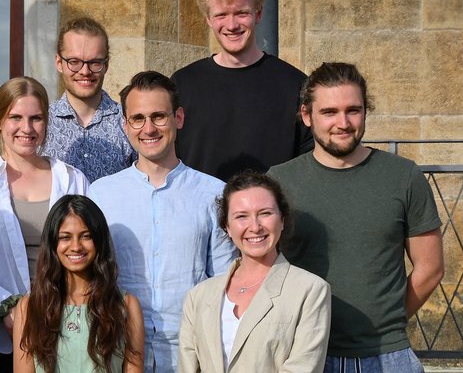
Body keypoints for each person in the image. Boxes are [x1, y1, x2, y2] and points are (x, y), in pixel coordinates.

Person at [269, 62, 444, 373]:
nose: (343, 123)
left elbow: (430, 268)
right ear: (307, 116)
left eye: (353, 110)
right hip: (304, 354)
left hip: (387, 356)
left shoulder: (403, 176)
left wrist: (388, 324)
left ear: (366, 111)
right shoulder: (279, 182)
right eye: (329, 112)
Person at [88, 71, 237, 373]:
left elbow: (224, 282)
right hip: (118, 349)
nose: (149, 128)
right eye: (138, 118)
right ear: (125, 125)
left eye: (158, 116)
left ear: (178, 118)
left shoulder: (214, 194)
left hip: (191, 352)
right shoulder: (101, 194)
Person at [0, 76, 90, 370]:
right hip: (2, 335)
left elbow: (91, 248)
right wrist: (7, 307)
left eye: (36, 118)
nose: (27, 128)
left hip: (68, 325)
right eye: (16, 117)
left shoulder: (73, 179)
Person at [169, 0, 311, 182]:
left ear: (258, 13)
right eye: (221, 15)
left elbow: (308, 163)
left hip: (274, 204)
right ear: (208, 19)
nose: (232, 25)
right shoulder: (182, 84)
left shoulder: (295, 84)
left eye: (241, 13)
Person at [179, 171, 331, 373]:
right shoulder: (198, 295)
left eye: (265, 213)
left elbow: (303, 367)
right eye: (241, 216)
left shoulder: (310, 291)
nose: (255, 227)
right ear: (227, 227)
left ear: (282, 220)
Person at [13, 194, 145, 373]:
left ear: (99, 240)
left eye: (86, 236)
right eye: (65, 237)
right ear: (52, 242)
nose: (76, 247)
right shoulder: (29, 307)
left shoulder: (126, 306)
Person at [42, 17, 135, 182]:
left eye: (95, 63)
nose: (85, 71)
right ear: (59, 63)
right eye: (74, 62)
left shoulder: (129, 121)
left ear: (106, 65)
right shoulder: (41, 122)